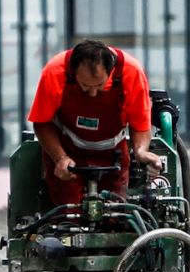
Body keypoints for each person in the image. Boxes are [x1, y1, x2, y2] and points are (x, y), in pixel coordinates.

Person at [28, 39, 166, 205]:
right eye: (85, 86)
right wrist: (60, 158)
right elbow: (42, 122)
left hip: (113, 153)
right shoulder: (54, 72)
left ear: (111, 70)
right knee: (66, 212)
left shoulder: (130, 72)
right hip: (67, 149)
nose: (93, 94)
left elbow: (140, 123)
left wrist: (141, 151)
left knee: (116, 212)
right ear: (73, 70)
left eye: (100, 85)